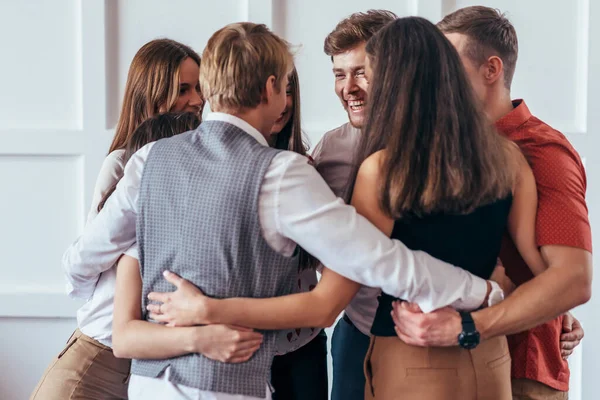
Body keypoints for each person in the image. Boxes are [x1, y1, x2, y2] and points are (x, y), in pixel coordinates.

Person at [64, 22, 504, 400]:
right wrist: (480, 293)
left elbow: (85, 256)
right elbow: (380, 260)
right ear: (273, 87)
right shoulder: (279, 173)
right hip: (227, 386)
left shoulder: (148, 159)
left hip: (148, 386)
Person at [393, 7, 592, 400]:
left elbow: (573, 278)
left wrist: (470, 325)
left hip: (520, 372)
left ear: (491, 69)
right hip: (453, 364)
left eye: (450, 66)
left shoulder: (542, 152)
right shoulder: (440, 144)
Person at [31, 38, 203, 400]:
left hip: (150, 366)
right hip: (97, 360)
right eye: (183, 89)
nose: (197, 100)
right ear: (151, 95)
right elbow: (85, 257)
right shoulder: (124, 164)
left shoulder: (200, 168)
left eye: (200, 88)